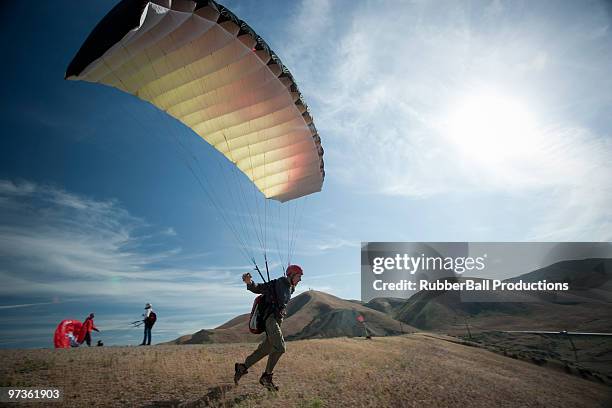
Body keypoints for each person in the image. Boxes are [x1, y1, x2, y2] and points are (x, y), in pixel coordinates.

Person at [234, 264, 303, 391]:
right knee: (280, 347)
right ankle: (266, 377)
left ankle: (242, 368)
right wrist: (250, 283)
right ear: (291, 275)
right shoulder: (278, 283)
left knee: (265, 349)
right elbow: (260, 288)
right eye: (299, 276)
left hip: (277, 320)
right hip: (270, 320)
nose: (300, 279)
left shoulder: (290, 288)